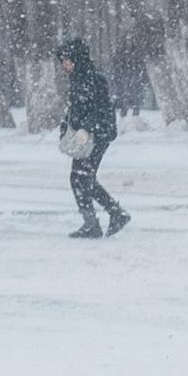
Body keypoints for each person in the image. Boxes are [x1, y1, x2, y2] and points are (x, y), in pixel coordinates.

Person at [57, 36, 128, 238]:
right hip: (87, 136)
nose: (65, 64)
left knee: (80, 178)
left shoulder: (93, 79)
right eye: (63, 61)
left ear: (77, 59)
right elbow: (74, 110)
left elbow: (101, 108)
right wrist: (66, 129)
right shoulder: (77, 79)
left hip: (98, 134)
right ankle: (112, 214)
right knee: (82, 178)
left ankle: (96, 222)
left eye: (67, 60)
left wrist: (87, 129)